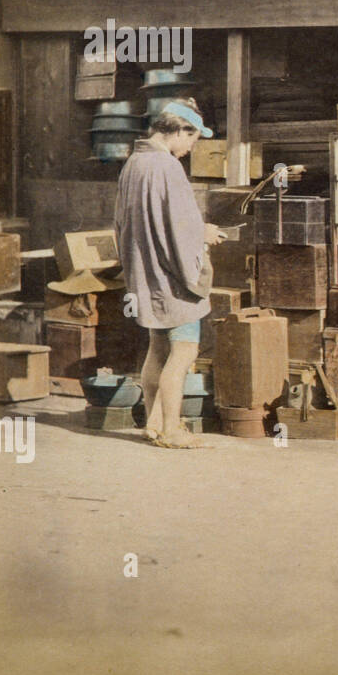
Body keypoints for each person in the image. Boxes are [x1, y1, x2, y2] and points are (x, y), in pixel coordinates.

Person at [114, 97, 224, 449]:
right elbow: (179, 229)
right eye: (192, 139)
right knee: (185, 351)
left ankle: (154, 421)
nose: (192, 147)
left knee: (157, 347)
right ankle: (173, 429)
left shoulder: (135, 161)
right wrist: (203, 234)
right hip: (173, 277)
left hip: (145, 272)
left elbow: (133, 222)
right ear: (178, 130)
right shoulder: (167, 167)